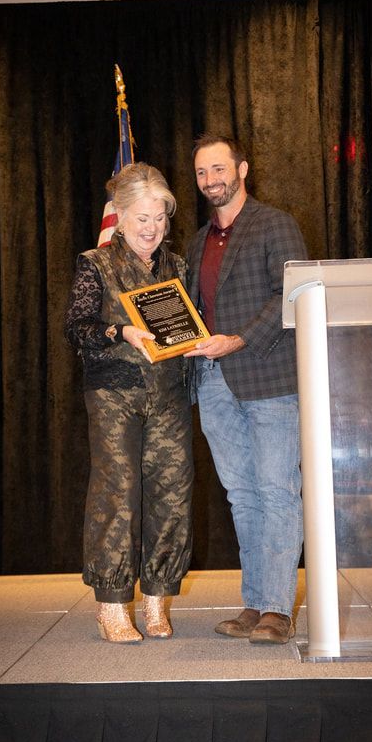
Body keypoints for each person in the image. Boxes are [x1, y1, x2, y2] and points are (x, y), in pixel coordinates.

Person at [185, 134, 308, 644]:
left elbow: (291, 296)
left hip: (268, 377)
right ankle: (255, 604)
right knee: (242, 496)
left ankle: (278, 609)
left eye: (218, 168)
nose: (210, 179)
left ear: (242, 168)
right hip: (212, 382)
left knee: (278, 492)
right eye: (200, 173)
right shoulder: (195, 242)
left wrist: (237, 340)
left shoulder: (275, 224)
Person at [65, 162, 193, 643]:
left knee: (172, 494)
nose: (152, 228)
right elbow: (76, 329)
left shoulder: (177, 266)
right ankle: (114, 605)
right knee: (117, 496)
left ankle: (158, 600)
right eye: (142, 218)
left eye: (160, 218)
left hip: (169, 397)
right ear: (118, 216)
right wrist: (120, 331)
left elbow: (186, 327)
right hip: (114, 394)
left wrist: (197, 340)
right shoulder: (94, 265)